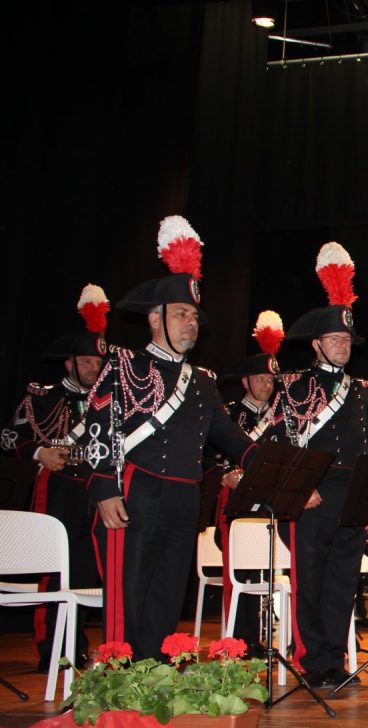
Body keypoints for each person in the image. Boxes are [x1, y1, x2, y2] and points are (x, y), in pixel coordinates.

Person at [82, 216, 256, 661]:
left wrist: (271, 463)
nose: (191, 324)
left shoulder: (204, 380)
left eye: (194, 317)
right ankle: (122, 676)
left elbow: (228, 435)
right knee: (127, 593)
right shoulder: (122, 364)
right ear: (154, 318)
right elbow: (99, 427)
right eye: (181, 314)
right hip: (135, 490)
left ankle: (157, 673)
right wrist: (104, 488)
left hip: (184, 497)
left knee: (167, 594)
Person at [264, 242, 368, 687]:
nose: (342, 346)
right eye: (334, 340)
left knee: (342, 583)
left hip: (351, 496)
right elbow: (279, 442)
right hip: (312, 494)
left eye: (346, 340)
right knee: (310, 582)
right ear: (316, 345)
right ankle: (312, 662)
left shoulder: (361, 390)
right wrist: (299, 488)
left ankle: (335, 660)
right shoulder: (293, 386)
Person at [2, 284, 108, 668]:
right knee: (55, 569)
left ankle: (77, 645)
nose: (94, 368)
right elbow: (9, 437)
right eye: (87, 362)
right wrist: (40, 452)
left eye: (98, 362)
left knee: (87, 570)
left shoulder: (108, 401)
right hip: (58, 489)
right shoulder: (42, 397)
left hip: (95, 491)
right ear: (69, 364)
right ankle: (52, 651)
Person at [210, 309, 284, 652]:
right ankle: (239, 639)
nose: (266, 385)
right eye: (260, 379)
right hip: (236, 500)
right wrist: (223, 476)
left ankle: (262, 637)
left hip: (271, 500)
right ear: (246, 382)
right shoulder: (228, 414)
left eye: (270, 380)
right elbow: (209, 455)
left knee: (266, 570)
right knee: (240, 571)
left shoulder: (281, 417)